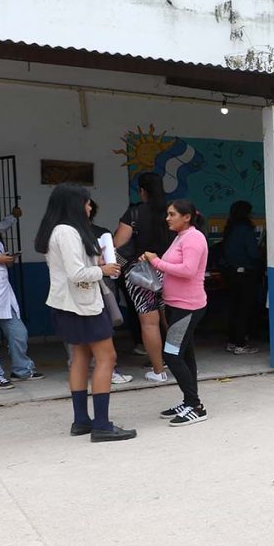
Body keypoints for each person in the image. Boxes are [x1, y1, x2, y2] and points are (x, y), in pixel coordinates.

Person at [36, 184, 135, 442]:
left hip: (68, 304)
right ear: (75, 204)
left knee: (80, 357)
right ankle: (102, 425)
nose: (90, 207)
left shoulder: (57, 230)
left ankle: (81, 420)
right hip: (83, 305)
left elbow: (74, 267)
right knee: (107, 358)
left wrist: (96, 262)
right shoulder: (68, 231)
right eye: (87, 202)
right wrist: (104, 270)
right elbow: (77, 274)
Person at [141, 200, 210, 426]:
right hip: (177, 306)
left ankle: (195, 406)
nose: (167, 218)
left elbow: (188, 270)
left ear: (186, 217)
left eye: (172, 214)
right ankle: (189, 401)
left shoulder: (193, 238)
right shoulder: (181, 236)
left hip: (187, 307)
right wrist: (152, 261)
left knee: (171, 355)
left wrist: (156, 261)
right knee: (185, 354)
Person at [113, 172, 173, 383]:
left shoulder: (134, 213)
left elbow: (118, 244)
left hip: (141, 274)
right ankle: (183, 365)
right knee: (172, 321)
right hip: (170, 270)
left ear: (141, 191)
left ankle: (158, 371)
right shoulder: (172, 212)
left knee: (149, 323)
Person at [0, 206, 44, 389]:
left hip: (3, 296)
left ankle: (21, 369)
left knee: (19, 333)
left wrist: (8, 260)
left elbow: (3, 224)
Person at [86, 201, 131, 385]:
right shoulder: (102, 233)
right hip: (103, 281)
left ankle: (87, 368)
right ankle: (107, 369)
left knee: (86, 329)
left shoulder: (68, 233)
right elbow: (113, 258)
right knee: (104, 325)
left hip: (86, 285)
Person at [221, 200, 262, 355]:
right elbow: (253, 253)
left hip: (231, 273)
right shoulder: (246, 230)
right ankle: (241, 343)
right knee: (244, 309)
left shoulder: (230, 229)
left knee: (234, 308)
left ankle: (232, 342)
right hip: (245, 274)